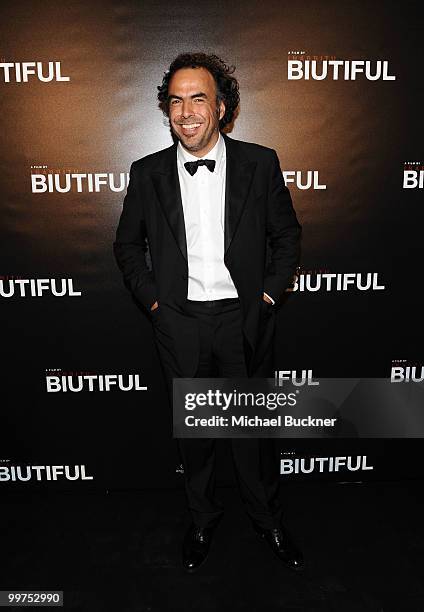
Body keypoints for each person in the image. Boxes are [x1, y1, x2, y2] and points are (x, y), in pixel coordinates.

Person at [113, 52, 303, 572]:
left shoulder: (260, 163)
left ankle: (267, 520)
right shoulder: (147, 172)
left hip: (244, 321)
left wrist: (266, 298)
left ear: (222, 108)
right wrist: (156, 303)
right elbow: (128, 246)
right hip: (181, 324)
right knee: (194, 439)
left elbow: (286, 237)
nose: (186, 112)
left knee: (253, 438)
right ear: (166, 109)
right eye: (176, 101)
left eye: (199, 99)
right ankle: (202, 518)